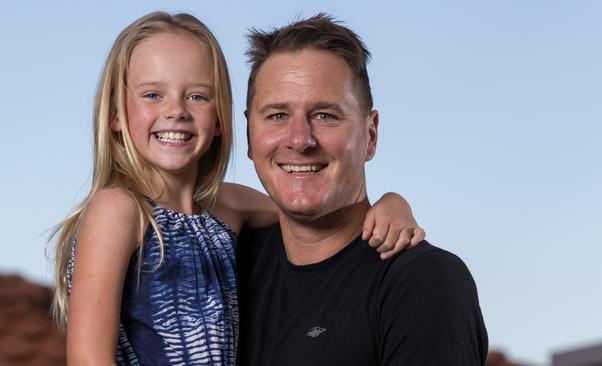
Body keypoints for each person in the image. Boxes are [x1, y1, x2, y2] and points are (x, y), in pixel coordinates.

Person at [50, 11, 424, 366]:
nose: (176, 110)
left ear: (219, 119)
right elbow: (88, 359)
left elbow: (313, 207)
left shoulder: (226, 208)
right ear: (116, 113)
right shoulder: (117, 210)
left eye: (197, 96)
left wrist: (393, 203)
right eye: (152, 95)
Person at [236, 13, 488, 365]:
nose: (300, 140)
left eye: (325, 115)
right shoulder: (228, 267)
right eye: (277, 115)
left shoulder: (422, 283)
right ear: (249, 135)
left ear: (370, 135)